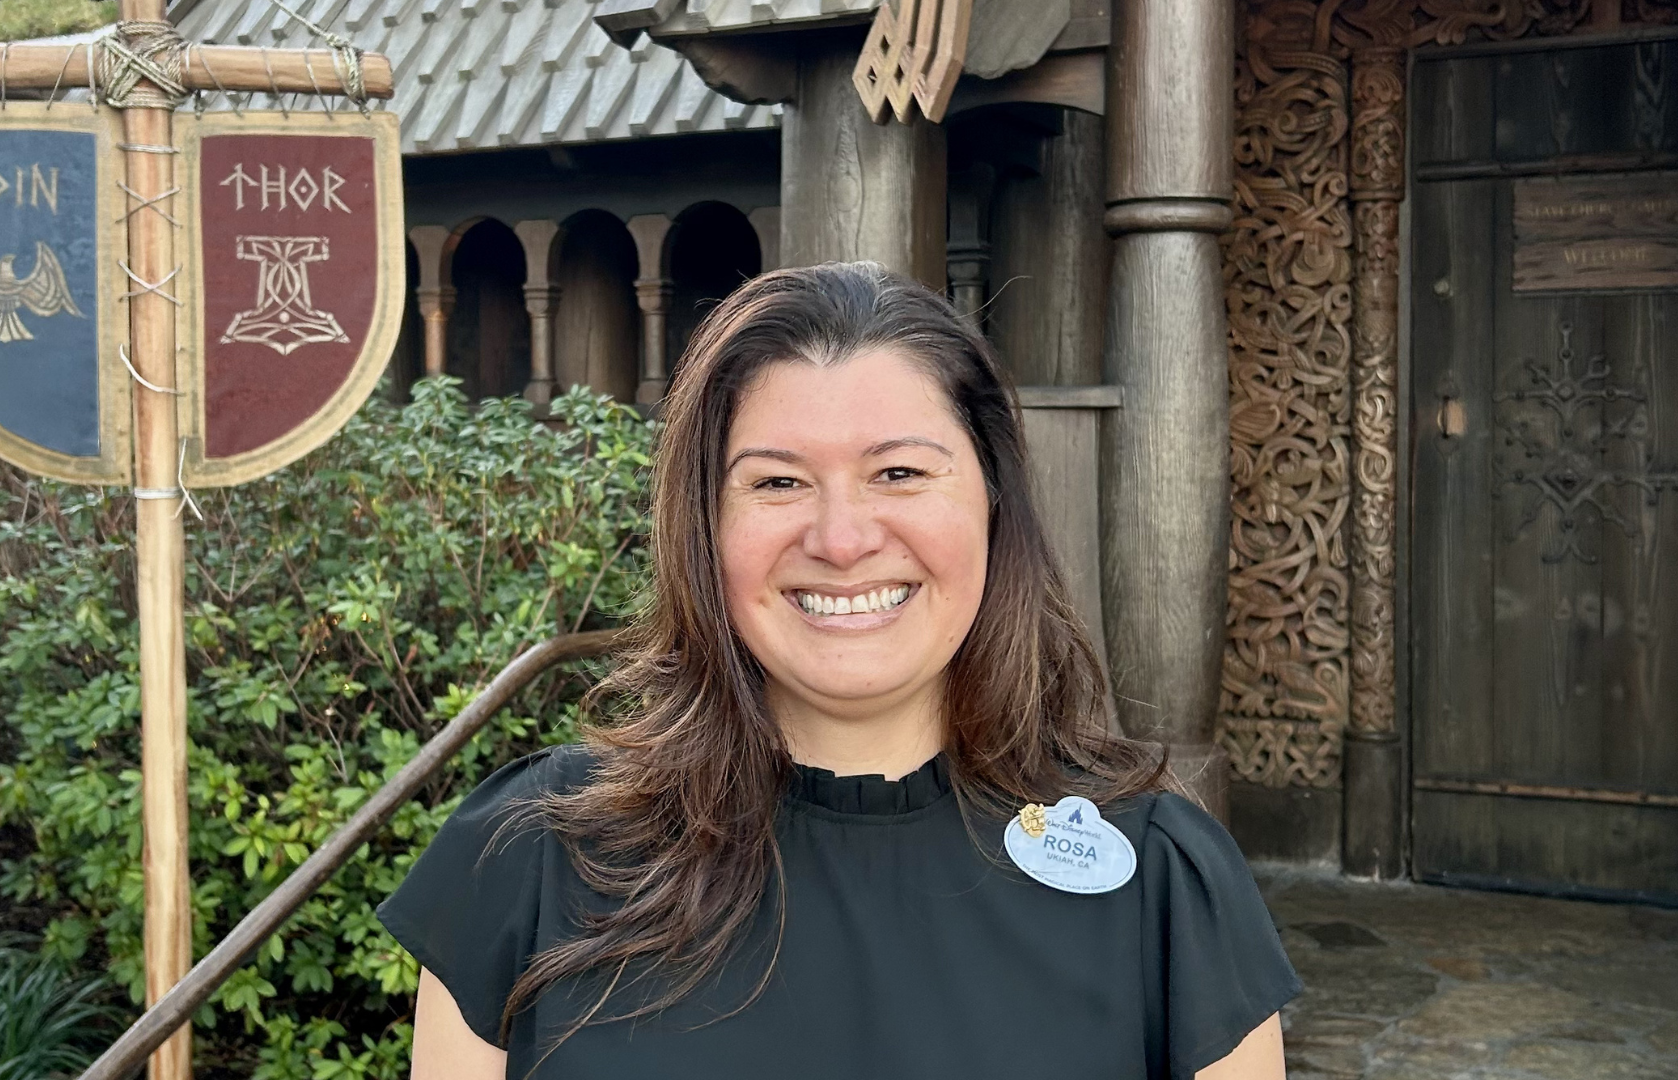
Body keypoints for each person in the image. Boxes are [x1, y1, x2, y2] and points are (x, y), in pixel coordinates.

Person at [378, 262, 1300, 1079]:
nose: (843, 539)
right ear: (705, 527)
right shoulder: (528, 859)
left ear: (993, 500)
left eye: (899, 473)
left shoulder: (1161, 880)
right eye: (776, 482)